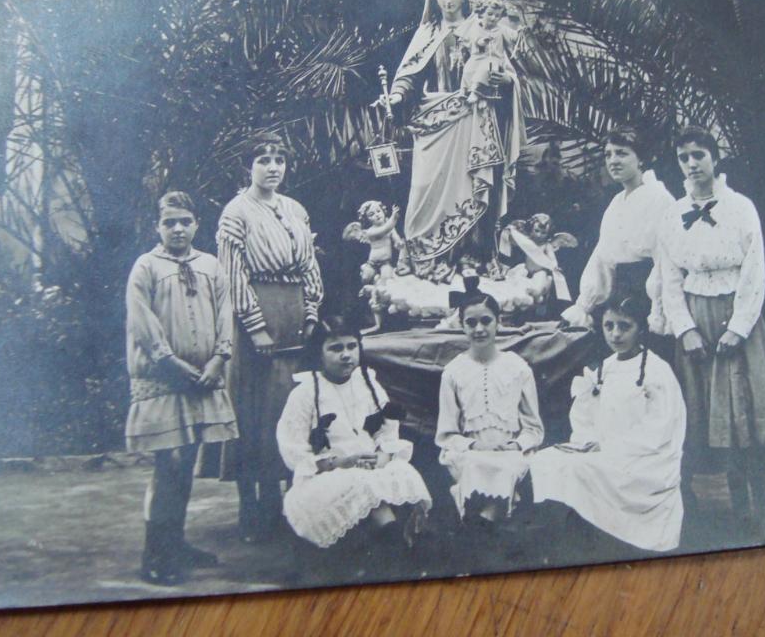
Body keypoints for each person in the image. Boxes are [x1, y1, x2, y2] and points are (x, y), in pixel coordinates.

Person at [655, 126, 765, 532]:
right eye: (684, 158)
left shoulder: (740, 207)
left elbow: (755, 270)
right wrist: (685, 329)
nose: (692, 164)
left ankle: (761, 510)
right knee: (710, 419)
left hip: (737, 314)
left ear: (715, 158)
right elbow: (669, 276)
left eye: (698, 155)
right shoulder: (673, 214)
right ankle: (736, 513)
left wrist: (739, 327)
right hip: (696, 315)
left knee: (745, 415)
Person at [201, 131, 324, 542]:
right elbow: (232, 275)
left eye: (279, 160)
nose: (273, 168)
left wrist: (311, 310)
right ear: (247, 166)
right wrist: (255, 326)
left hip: (295, 316)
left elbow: (309, 266)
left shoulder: (295, 209)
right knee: (256, 411)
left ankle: (293, 504)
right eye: (263, 160)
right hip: (258, 316)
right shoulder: (236, 212)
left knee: (293, 408)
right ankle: (253, 507)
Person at [378, 0, 525, 281]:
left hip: (475, 116)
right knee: (423, 188)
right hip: (434, 122)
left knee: (474, 186)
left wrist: (505, 81)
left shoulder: (482, 26)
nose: (447, 0)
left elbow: (506, 68)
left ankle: (471, 256)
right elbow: (409, 75)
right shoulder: (428, 32)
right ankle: (429, 257)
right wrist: (397, 96)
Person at [125, 191, 238, 585]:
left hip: (203, 378)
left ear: (196, 224)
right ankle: (155, 554)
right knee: (168, 464)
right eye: (169, 222)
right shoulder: (146, 267)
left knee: (186, 460)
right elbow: (142, 322)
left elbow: (225, 314)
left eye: (185, 221)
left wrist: (219, 358)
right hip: (164, 379)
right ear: (157, 226)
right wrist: (171, 362)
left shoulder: (210, 265)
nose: (177, 229)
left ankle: (176, 542)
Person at [530, 296, 685, 552]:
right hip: (603, 449)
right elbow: (585, 418)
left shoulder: (656, 371)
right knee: (545, 460)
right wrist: (588, 441)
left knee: (579, 469)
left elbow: (662, 428)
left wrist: (611, 446)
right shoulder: (603, 369)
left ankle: (597, 537)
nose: (615, 334)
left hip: (645, 458)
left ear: (641, 329)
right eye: (608, 326)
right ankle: (562, 539)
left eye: (625, 326)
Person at [275, 316, 431, 550]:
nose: (346, 355)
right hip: (327, 474)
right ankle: (394, 542)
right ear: (319, 353)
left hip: (370, 465)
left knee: (404, 473)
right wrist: (339, 462)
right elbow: (293, 448)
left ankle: (398, 540)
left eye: (351, 346)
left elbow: (387, 430)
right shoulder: (305, 393)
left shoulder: (368, 384)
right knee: (362, 485)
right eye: (336, 349)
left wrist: (382, 455)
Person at [435, 276, 544, 523]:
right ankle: (484, 521)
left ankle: (482, 523)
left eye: (486, 321)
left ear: (498, 322)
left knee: (505, 467)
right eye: (471, 323)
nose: (479, 329)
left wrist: (516, 445)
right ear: (461, 326)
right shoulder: (453, 372)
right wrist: (474, 445)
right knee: (475, 465)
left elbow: (534, 428)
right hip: (471, 452)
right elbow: (447, 433)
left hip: (510, 452)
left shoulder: (518, 368)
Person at [562, 128, 676, 334]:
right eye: (608, 154)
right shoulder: (616, 202)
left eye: (621, 153)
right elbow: (602, 256)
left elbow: (665, 261)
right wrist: (584, 305)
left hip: (647, 297)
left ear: (641, 159)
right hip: (617, 296)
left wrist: (658, 312)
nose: (613, 161)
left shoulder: (660, 199)